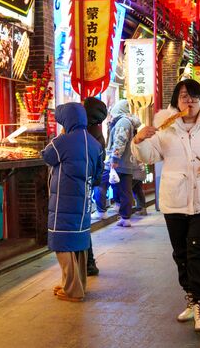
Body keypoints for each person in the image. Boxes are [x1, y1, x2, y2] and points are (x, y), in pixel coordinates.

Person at [131, 79, 200, 333]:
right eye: (183, 97)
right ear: (175, 101)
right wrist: (140, 140)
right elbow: (149, 157)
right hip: (175, 201)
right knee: (181, 253)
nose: (188, 101)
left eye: (193, 97)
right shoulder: (165, 129)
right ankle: (191, 298)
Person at [41, 103, 103, 302]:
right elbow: (98, 172)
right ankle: (77, 283)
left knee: (63, 242)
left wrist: (60, 136)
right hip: (83, 199)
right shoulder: (94, 144)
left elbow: (46, 156)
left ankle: (72, 290)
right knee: (79, 242)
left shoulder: (63, 141)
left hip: (64, 201)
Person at [93, 99, 141, 227]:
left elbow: (120, 141)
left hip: (115, 163)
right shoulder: (127, 122)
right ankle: (125, 218)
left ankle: (101, 211)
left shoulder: (122, 123)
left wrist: (114, 159)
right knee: (125, 190)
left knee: (100, 184)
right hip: (125, 163)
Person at [84, 97, 108, 276]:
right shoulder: (96, 131)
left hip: (82, 182)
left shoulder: (87, 134)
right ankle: (89, 262)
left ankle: (89, 263)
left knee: (82, 223)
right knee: (83, 222)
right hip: (90, 181)